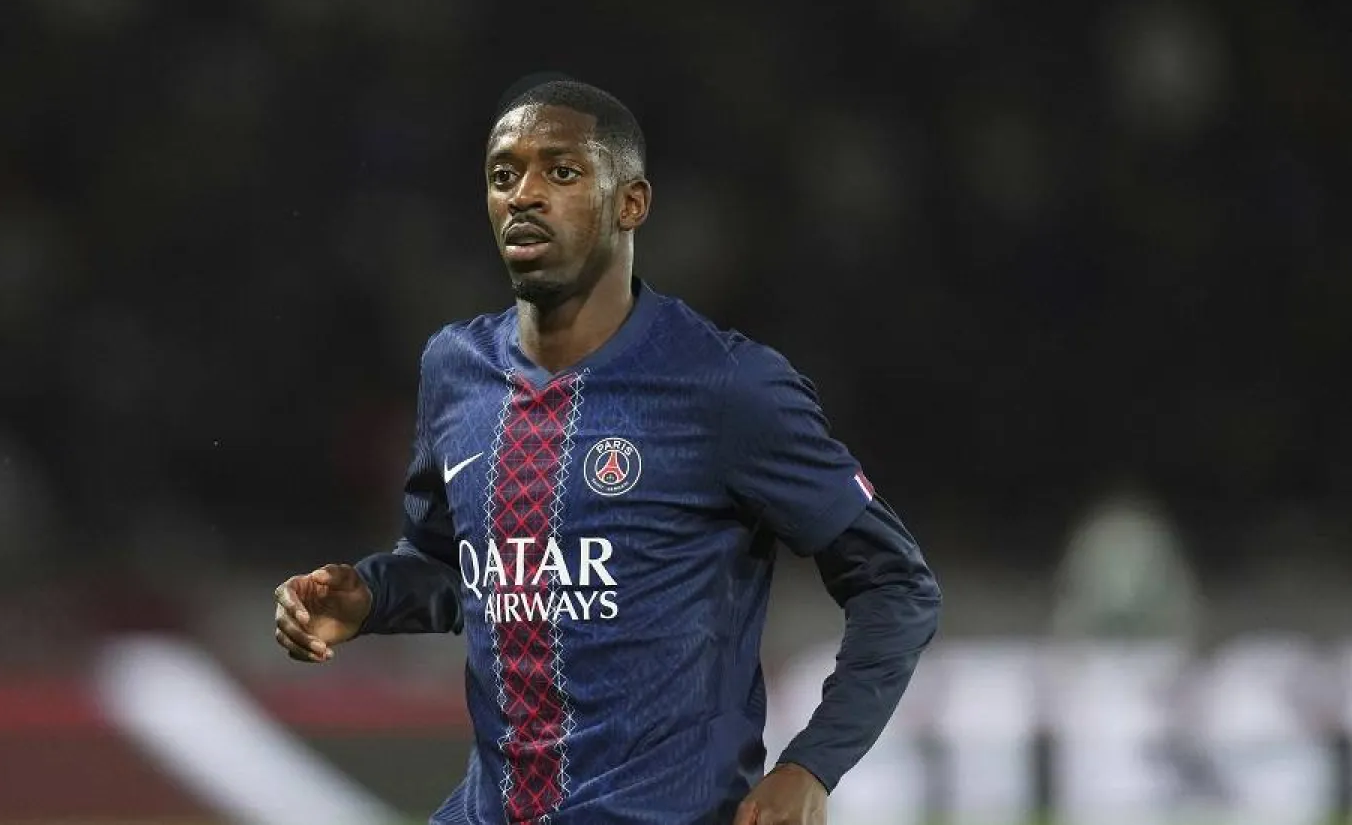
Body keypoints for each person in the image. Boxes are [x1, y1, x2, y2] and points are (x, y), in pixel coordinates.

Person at [273, 76, 942, 825]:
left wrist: (812, 764)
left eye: (561, 172)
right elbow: (451, 565)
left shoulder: (725, 386)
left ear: (631, 203)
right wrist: (367, 597)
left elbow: (896, 586)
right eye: (504, 175)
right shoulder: (455, 371)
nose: (524, 194)